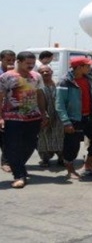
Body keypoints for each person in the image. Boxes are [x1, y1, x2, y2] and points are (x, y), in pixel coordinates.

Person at [0, 51, 47, 188]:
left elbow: (40, 96)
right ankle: (19, 175)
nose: (31, 66)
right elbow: (1, 98)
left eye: (33, 63)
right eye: (28, 63)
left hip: (33, 117)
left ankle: (18, 166)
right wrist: (1, 117)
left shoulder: (36, 76)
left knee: (31, 145)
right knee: (12, 147)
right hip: (12, 118)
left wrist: (43, 114)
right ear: (18, 62)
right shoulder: (6, 77)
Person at [56, 57, 92, 179]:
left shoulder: (89, 79)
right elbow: (60, 104)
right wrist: (66, 122)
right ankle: (70, 170)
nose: (90, 68)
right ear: (79, 67)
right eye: (87, 66)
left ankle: (88, 166)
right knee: (72, 146)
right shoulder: (65, 82)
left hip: (90, 117)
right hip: (74, 119)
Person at [36, 65, 64, 167]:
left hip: (59, 117)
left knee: (60, 137)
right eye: (42, 72)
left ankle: (62, 158)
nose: (45, 73)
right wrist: (44, 115)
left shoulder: (58, 84)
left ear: (51, 72)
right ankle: (45, 159)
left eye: (47, 71)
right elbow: (38, 103)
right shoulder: (37, 86)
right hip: (45, 116)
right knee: (44, 137)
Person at [0, 49, 16, 171]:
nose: (11, 62)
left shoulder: (16, 73)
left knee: (7, 135)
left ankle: (6, 161)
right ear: (1, 60)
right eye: (8, 60)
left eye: (13, 60)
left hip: (10, 109)